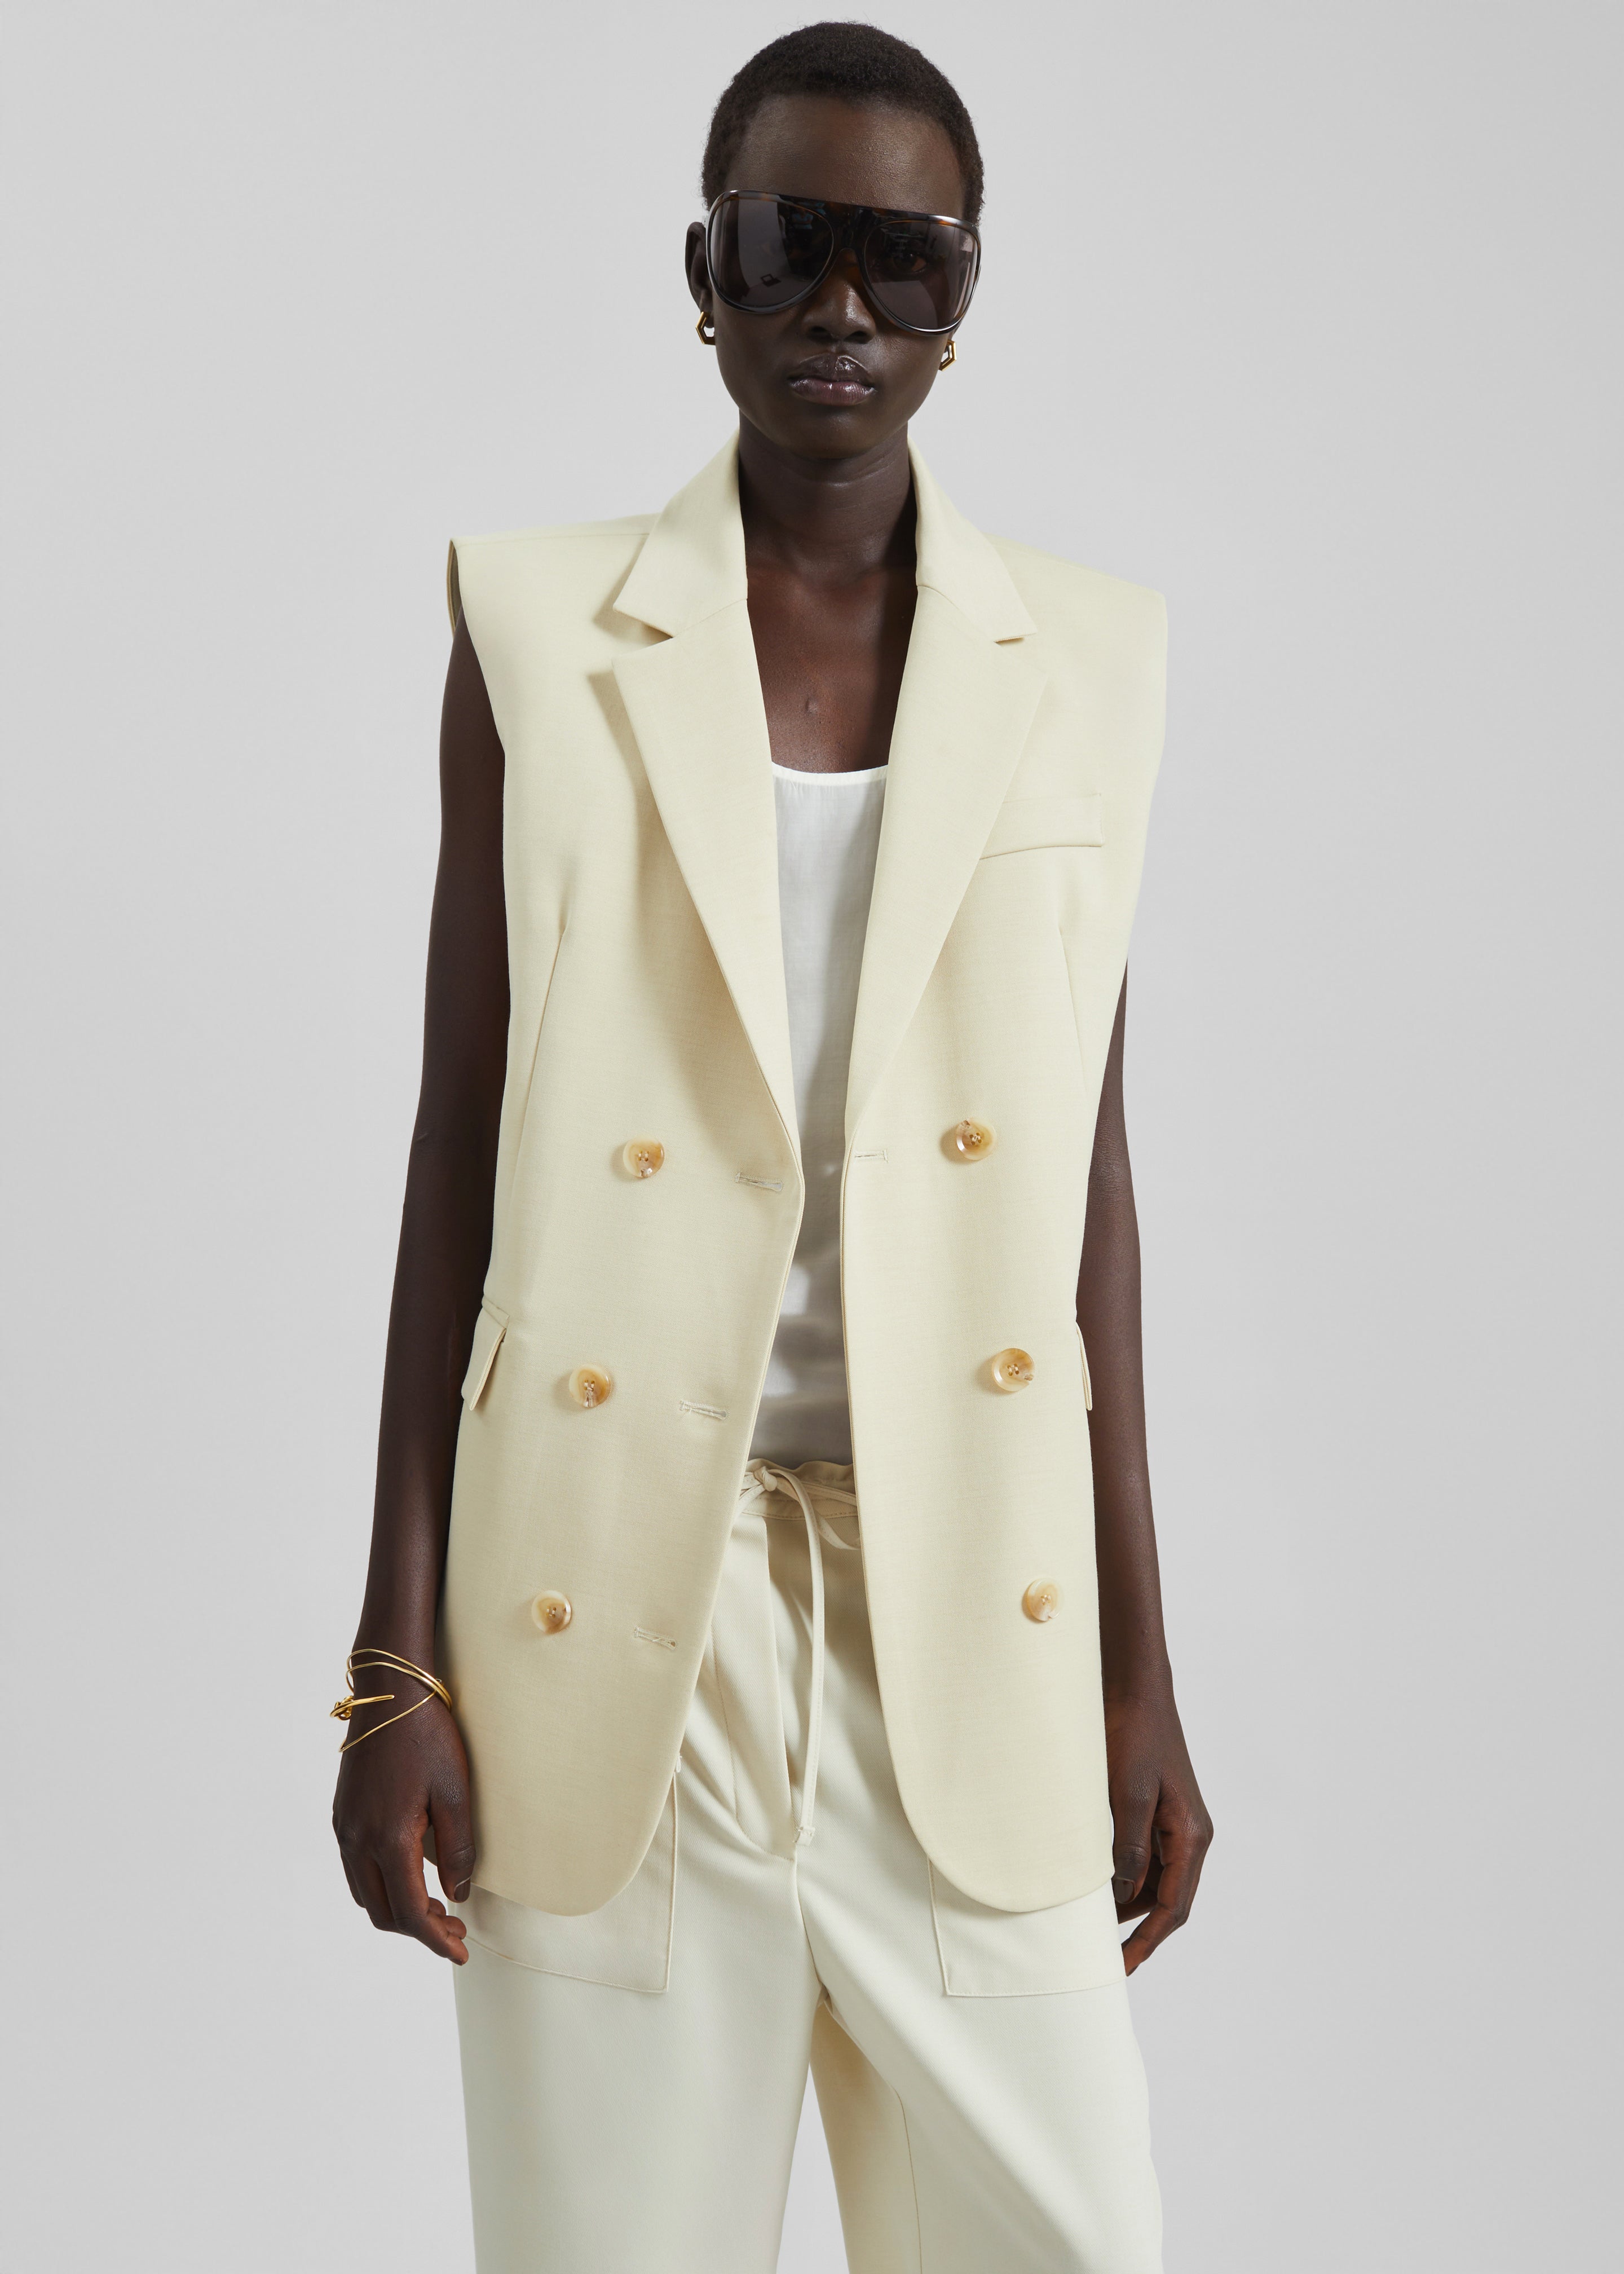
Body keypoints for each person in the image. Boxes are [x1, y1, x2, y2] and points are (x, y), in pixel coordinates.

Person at [332, 23, 1211, 2271]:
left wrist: (1140, 1665)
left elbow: (1086, 1191)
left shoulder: (1088, 664)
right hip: (617, 1597)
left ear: (966, 295)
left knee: (1072, 2235)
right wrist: (395, 1662)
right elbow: (461, 1148)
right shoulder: (539, 631)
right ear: (701, 273)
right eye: (787, 244)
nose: (842, 307)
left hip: (969, 1600)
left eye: (903, 260)